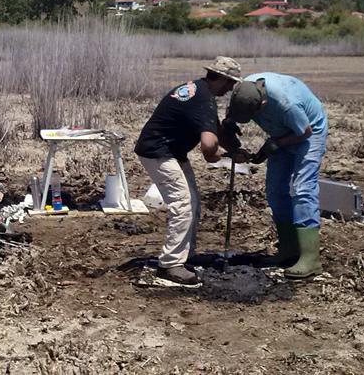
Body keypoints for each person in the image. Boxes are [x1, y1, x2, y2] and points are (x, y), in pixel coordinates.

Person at [134, 56, 243, 287]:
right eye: (231, 82)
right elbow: (208, 145)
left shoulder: (200, 91)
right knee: (182, 202)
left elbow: (214, 131)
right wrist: (220, 156)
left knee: (191, 199)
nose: (232, 88)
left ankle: (184, 255)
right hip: (158, 151)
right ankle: (170, 264)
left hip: (169, 150)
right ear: (222, 79)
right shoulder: (203, 98)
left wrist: (235, 149)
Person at [225, 72, 328, 279]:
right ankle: (289, 250)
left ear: (262, 104)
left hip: (309, 133)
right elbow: (232, 115)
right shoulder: (243, 90)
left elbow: (304, 131)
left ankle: (310, 259)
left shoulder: (285, 103)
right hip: (280, 133)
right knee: (274, 191)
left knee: (303, 188)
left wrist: (276, 144)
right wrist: (229, 127)